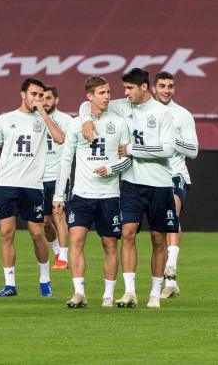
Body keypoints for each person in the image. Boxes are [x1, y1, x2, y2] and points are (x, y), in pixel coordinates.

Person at [80, 67, 177, 308]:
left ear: (144, 88)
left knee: (157, 239)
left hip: (160, 184)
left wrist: (133, 150)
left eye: (129, 88)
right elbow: (87, 103)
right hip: (131, 183)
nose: (125, 93)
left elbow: (168, 150)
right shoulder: (122, 106)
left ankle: (155, 294)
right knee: (127, 234)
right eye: (124, 88)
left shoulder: (163, 114)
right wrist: (86, 119)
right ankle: (130, 292)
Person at [0, 77, 64, 297]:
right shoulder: (5, 120)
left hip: (33, 186)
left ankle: (45, 280)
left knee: (37, 233)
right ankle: (9, 285)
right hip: (6, 184)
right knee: (6, 233)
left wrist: (44, 113)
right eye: (34, 94)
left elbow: (60, 138)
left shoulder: (44, 120)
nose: (37, 99)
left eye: (41, 96)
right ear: (23, 94)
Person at [56, 75, 131, 308]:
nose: (108, 96)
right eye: (102, 93)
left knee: (110, 245)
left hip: (109, 195)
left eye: (108, 92)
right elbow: (66, 160)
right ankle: (79, 293)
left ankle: (108, 296)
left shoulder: (119, 123)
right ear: (90, 96)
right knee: (76, 240)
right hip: (81, 194)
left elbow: (127, 160)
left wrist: (111, 168)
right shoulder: (77, 123)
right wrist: (59, 195)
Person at [150, 71, 199, 299]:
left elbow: (193, 150)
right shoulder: (144, 113)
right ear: (153, 88)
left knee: (173, 215)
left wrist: (172, 141)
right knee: (157, 232)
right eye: (162, 86)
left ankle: (171, 265)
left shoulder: (183, 115)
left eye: (170, 86)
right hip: (150, 177)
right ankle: (169, 283)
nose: (166, 90)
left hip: (175, 174)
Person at [40, 86, 73, 270]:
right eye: (42, 98)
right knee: (45, 223)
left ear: (56, 100)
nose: (45, 102)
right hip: (39, 178)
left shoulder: (66, 121)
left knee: (59, 215)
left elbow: (63, 141)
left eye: (48, 98)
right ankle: (57, 251)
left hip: (59, 176)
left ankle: (64, 258)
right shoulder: (34, 120)